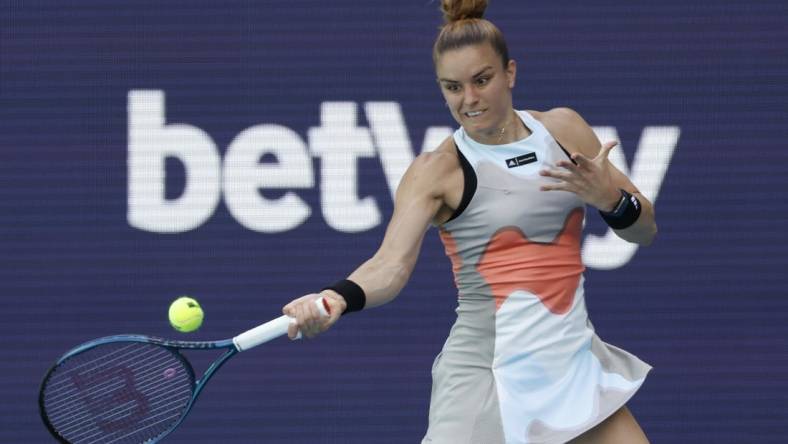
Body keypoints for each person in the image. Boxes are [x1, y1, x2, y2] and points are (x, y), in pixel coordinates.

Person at [283, 1, 656, 442]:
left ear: (510, 73)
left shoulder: (563, 130)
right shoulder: (438, 170)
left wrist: (611, 199)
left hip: (572, 365)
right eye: (453, 87)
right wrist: (338, 297)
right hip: (486, 378)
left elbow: (644, 229)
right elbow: (391, 265)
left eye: (482, 80)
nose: (470, 100)